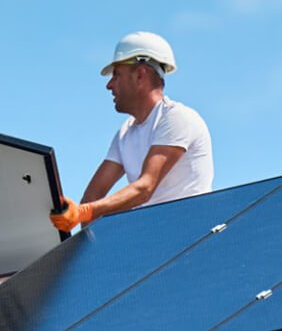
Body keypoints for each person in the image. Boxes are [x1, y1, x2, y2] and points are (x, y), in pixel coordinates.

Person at [52, 31, 213, 232]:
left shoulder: (177, 118)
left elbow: (144, 187)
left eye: (117, 75)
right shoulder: (125, 133)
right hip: (152, 236)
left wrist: (83, 212)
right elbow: (92, 196)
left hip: (189, 237)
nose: (109, 85)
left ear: (140, 75)